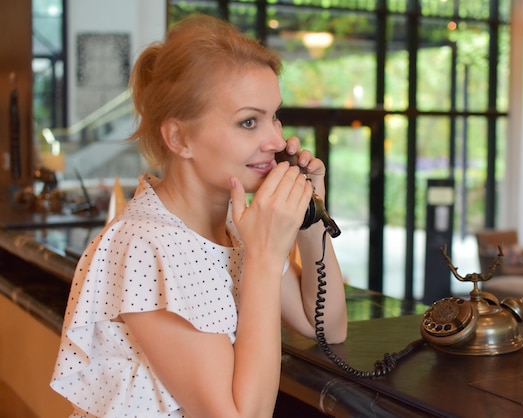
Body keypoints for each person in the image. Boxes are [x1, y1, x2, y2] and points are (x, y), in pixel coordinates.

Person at [50, 14, 347, 418]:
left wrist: (310, 220)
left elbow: (328, 329)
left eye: (274, 116)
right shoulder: (145, 244)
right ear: (179, 138)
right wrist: (263, 257)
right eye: (248, 121)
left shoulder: (233, 225)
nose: (277, 140)